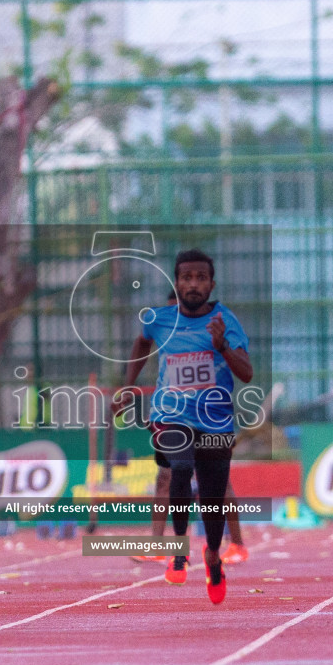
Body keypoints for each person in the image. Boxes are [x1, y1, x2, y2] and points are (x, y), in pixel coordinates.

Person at [121, 248, 253, 605]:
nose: (193, 284)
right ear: (176, 282)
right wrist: (127, 384)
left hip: (214, 421)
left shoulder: (226, 321)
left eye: (200, 278)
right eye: (186, 278)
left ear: (211, 283)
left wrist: (221, 345)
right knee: (178, 468)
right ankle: (178, 549)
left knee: (212, 498)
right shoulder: (159, 319)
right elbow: (141, 344)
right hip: (171, 415)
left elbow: (246, 373)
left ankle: (212, 554)